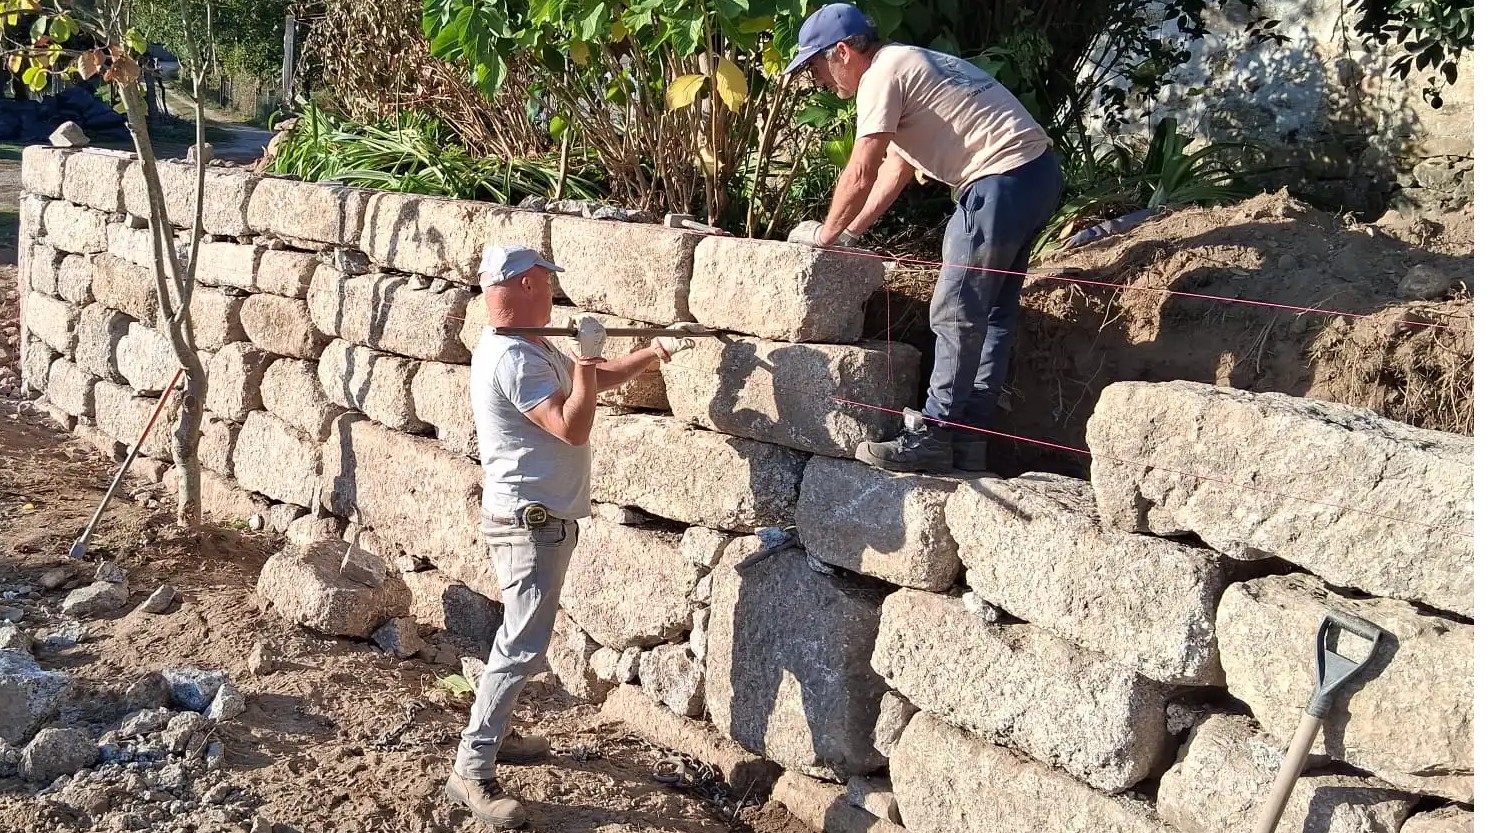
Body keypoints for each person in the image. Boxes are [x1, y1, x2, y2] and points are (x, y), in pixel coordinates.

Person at [446, 244, 700, 829]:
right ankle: (472, 767)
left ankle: (494, 735)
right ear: (530, 283)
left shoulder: (531, 345)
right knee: (521, 645)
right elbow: (571, 425)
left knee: (519, 638)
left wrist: (645, 355)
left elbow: (585, 383)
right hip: (530, 522)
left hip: (536, 518)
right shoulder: (514, 359)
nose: (554, 291)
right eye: (547, 281)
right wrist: (586, 361)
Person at [784, 3, 1064, 474]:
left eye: (815, 66)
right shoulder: (908, 62)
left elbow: (861, 170)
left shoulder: (879, 76)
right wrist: (853, 232)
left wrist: (824, 236)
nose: (819, 80)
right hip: (1035, 176)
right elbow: (896, 166)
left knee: (955, 310)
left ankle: (932, 435)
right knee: (991, 314)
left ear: (842, 52)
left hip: (996, 180)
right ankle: (968, 441)